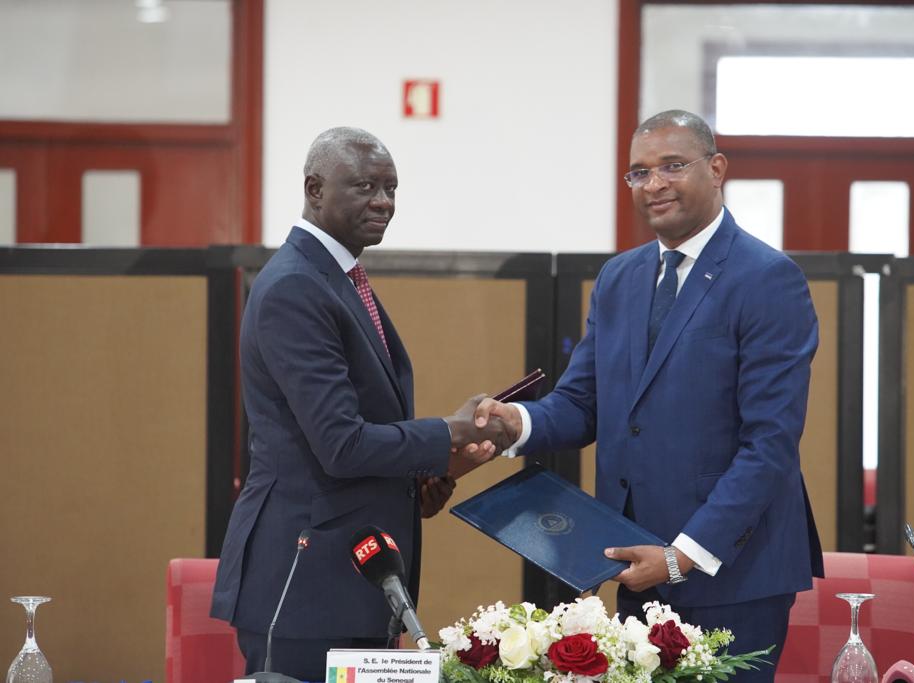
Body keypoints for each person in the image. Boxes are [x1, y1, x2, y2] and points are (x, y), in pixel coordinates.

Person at [474, 110, 823, 681]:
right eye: (639, 172)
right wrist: (514, 421)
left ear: (716, 169)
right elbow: (583, 403)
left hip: (729, 572)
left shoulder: (767, 278)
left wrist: (681, 556)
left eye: (672, 166)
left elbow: (771, 443)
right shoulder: (620, 278)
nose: (654, 184)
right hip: (633, 561)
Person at [210, 127, 509, 681]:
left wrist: (422, 476)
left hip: (359, 574)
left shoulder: (338, 276)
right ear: (314, 188)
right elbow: (341, 445)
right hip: (304, 582)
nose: (384, 202)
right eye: (366, 186)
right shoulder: (296, 287)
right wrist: (448, 432)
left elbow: (360, 431)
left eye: (392, 188)